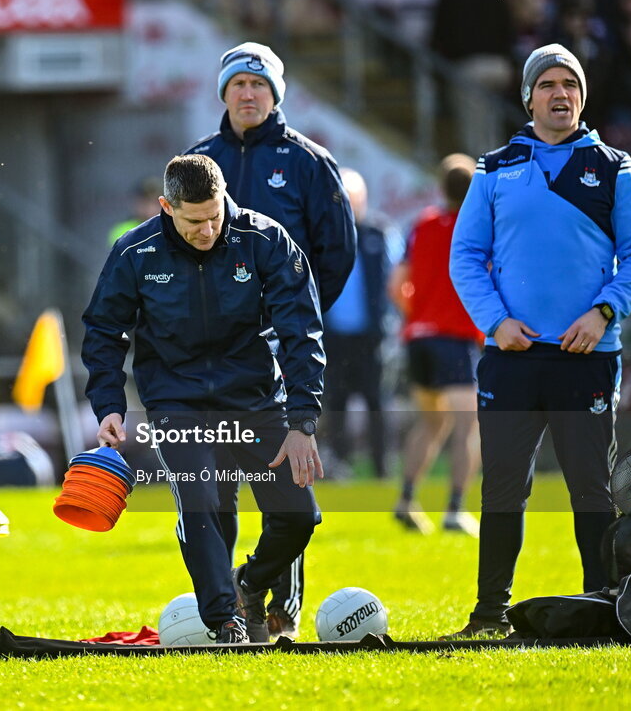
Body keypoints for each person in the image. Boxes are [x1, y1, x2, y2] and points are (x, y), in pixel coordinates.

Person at [446, 45, 631, 637]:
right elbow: (465, 256)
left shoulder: (614, 167)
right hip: (511, 358)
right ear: (527, 96)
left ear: (582, 96)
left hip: (586, 358)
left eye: (570, 83)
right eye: (547, 84)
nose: (559, 93)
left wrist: (603, 313)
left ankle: (606, 609)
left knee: (591, 488)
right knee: (504, 487)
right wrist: (495, 321)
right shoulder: (493, 168)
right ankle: (489, 615)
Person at [82, 154, 324, 644]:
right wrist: (109, 404)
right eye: (195, 220)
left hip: (258, 401)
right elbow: (104, 332)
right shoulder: (135, 252)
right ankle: (224, 620)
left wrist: (302, 422)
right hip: (178, 403)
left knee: (301, 517)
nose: (209, 228)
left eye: (216, 214)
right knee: (201, 501)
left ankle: (248, 585)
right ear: (166, 207)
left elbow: (302, 331)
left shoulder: (266, 240)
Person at [185, 40, 355, 641]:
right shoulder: (198, 161)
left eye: (259, 85)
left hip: (281, 355)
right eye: (238, 85)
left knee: (284, 480)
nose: (248, 94)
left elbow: (336, 254)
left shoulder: (310, 162)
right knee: (216, 483)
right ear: (224, 93)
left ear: (275, 94)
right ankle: (231, 610)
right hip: (210, 359)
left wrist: (294, 320)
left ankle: (278, 608)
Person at [387, 154, 483, 537]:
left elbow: (396, 284)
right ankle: (455, 510)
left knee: (430, 424)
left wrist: (419, 314)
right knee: (468, 427)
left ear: (441, 187)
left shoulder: (420, 224)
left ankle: (406, 501)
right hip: (456, 339)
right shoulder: (475, 225)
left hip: (418, 339)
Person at [321, 168, 402, 481]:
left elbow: (397, 282)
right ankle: (339, 470)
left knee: (378, 405)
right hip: (333, 339)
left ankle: (383, 471)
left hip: (372, 339)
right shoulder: (322, 237)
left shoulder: (381, 234)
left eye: (352, 198)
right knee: (335, 406)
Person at [107, 176, 165, 245]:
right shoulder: (124, 232)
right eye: (146, 202)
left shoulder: (173, 228)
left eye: (157, 203)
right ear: (136, 203)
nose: (152, 208)